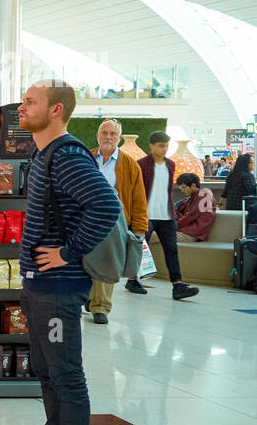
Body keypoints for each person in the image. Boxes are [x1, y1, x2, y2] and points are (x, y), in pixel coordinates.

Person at [10, 79, 122, 425]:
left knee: (66, 374)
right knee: (45, 369)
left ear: (56, 110)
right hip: (40, 285)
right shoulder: (44, 154)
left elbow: (107, 206)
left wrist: (67, 252)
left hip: (59, 286)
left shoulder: (68, 156)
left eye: (30, 101)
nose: (21, 107)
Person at [88, 119, 148, 324]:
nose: (108, 137)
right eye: (104, 133)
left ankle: (101, 307)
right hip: (85, 219)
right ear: (97, 135)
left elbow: (139, 198)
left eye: (113, 134)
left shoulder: (130, 165)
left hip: (114, 223)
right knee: (82, 261)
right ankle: (88, 298)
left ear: (119, 138)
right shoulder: (86, 157)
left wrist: (139, 229)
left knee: (107, 263)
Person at [128, 131, 199, 300]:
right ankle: (132, 280)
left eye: (166, 145)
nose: (164, 149)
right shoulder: (140, 165)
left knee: (172, 250)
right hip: (146, 216)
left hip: (166, 217)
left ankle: (177, 285)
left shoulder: (171, 165)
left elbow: (167, 192)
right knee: (138, 249)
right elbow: (135, 191)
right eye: (161, 145)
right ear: (151, 146)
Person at [174, 173, 216, 242]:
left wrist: (172, 226)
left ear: (193, 185)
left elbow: (190, 216)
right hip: (188, 231)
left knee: (152, 234)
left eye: (184, 187)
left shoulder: (204, 194)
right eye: (180, 188)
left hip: (191, 234)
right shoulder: (195, 196)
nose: (182, 190)